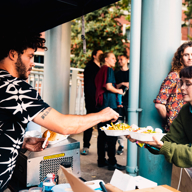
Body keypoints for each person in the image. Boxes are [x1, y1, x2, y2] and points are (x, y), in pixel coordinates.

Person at [0, 31, 119, 191]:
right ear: (13, 54)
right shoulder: (14, 87)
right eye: (30, 56)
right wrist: (103, 114)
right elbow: (64, 126)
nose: (33, 63)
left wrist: (20, 143)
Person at [128, 66, 192, 168]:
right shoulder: (185, 110)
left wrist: (164, 146)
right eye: (181, 83)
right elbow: (170, 140)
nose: (182, 87)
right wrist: (141, 138)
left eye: (188, 83)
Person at [95, 52, 125, 171]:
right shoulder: (109, 70)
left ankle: (101, 160)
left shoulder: (100, 70)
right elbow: (108, 86)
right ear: (106, 59)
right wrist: (119, 91)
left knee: (101, 135)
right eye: (112, 58)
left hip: (101, 105)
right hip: (109, 106)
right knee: (112, 135)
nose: (114, 60)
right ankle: (112, 162)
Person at [154, 41, 192, 132]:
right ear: (180, 58)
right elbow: (159, 105)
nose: (190, 58)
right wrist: (170, 120)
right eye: (186, 55)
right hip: (178, 130)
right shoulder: (174, 76)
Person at [81, 49, 103, 155]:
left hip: (99, 100)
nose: (102, 56)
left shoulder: (101, 67)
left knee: (102, 124)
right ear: (94, 56)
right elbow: (89, 87)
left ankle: (103, 148)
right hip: (92, 100)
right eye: (100, 54)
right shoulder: (90, 68)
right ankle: (86, 146)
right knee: (89, 122)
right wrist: (95, 100)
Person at [115, 53, 129, 155]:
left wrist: (123, 84)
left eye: (121, 59)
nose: (119, 61)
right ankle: (121, 145)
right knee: (119, 123)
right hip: (120, 103)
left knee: (130, 124)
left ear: (127, 60)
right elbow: (115, 86)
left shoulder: (132, 72)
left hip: (130, 102)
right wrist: (124, 84)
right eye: (118, 60)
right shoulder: (117, 73)